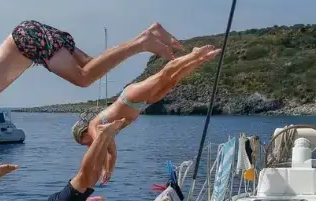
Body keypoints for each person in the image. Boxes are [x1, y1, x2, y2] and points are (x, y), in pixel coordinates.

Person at [0, 20, 184, 191]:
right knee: (92, 67)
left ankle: (143, 42)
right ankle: (147, 36)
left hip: (25, 41)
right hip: (30, 42)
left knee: (83, 78)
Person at [70, 45, 222, 184]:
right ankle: (202, 59)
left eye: (84, 142)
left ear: (83, 133)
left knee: (163, 75)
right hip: (140, 105)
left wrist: (98, 169)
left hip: (129, 98)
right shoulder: (106, 135)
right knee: (172, 80)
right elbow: (112, 153)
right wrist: (108, 171)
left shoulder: (93, 127)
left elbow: (99, 152)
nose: (87, 145)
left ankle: (194, 54)